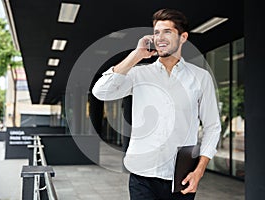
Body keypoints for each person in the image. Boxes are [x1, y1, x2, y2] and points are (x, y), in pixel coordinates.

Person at [93, 8, 221, 200]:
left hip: (180, 178)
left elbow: (212, 127)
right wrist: (136, 55)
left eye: (167, 32)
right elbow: (100, 91)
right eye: (156, 32)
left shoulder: (200, 78)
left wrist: (199, 171)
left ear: (183, 37)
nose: (160, 37)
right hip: (142, 177)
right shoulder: (139, 74)